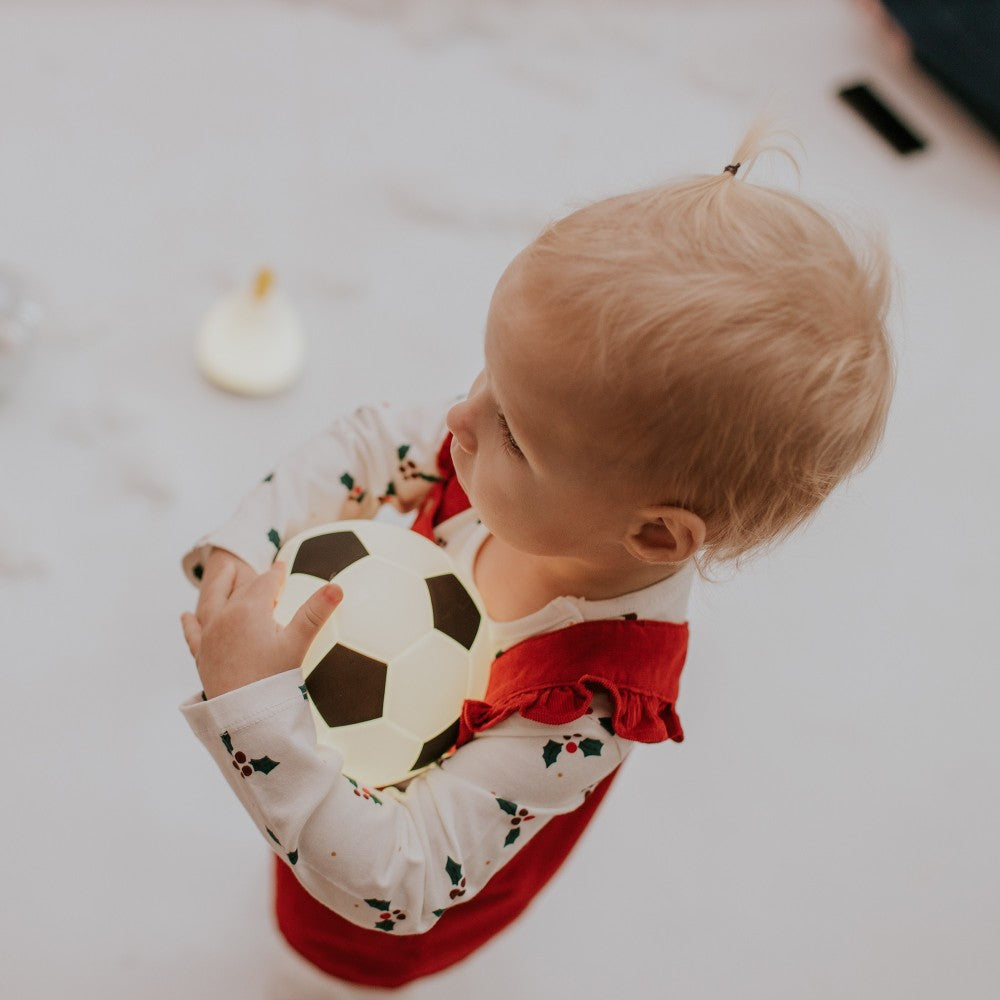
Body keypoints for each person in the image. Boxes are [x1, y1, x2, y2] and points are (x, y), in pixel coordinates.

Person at [179, 122, 894, 997]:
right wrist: (244, 554)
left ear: (654, 536)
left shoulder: (581, 704)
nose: (460, 417)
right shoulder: (527, 464)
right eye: (486, 375)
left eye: (512, 428)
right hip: (314, 771)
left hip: (368, 905)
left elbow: (400, 877)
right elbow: (368, 444)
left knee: (316, 966)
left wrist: (255, 710)